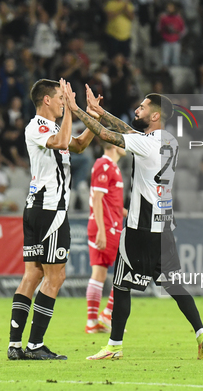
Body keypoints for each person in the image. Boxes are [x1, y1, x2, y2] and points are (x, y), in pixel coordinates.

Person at [68, 85, 203, 360]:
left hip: (139, 229)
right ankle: (201, 333)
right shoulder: (169, 141)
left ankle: (114, 346)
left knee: (121, 286)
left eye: (143, 107)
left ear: (155, 116)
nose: (137, 109)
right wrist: (102, 112)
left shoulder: (146, 144)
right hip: (164, 230)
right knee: (174, 285)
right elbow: (127, 130)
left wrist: (78, 111)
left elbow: (108, 135)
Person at [6, 79, 95, 361]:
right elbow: (59, 142)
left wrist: (92, 116)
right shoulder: (39, 126)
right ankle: (34, 345)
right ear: (46, 100)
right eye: (60, 98)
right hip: (50, 210)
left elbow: (78, 145)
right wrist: (71, 109)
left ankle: (15, 345)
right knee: (56, 276)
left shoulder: (54, 128)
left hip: (37, 208)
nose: (62, 101)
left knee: (33, 274)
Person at [85, 142, 127, 334]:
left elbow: (109, 201)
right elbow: (97, 199)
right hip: (107, 227)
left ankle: (93, 322)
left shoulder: (111, 166)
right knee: (125, 269)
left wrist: (125, 212)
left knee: (99, 273)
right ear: (114, 144)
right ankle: (108, 313)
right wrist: (102, 230)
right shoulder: (105, 164)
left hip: (108, 223)